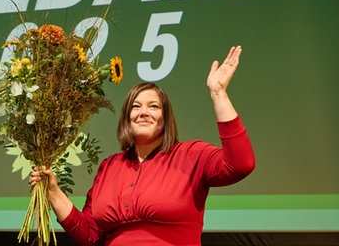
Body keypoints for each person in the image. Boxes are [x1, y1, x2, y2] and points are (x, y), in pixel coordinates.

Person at [30, 45, 255, 246]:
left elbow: (241, 164)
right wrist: (54, 193)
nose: (143, 112)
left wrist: (218, 93)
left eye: (153, 106)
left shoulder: (191, 154)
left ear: (166, 118)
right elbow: (91, 235)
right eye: (136, 106)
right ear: (127, 117)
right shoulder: (109, 167)